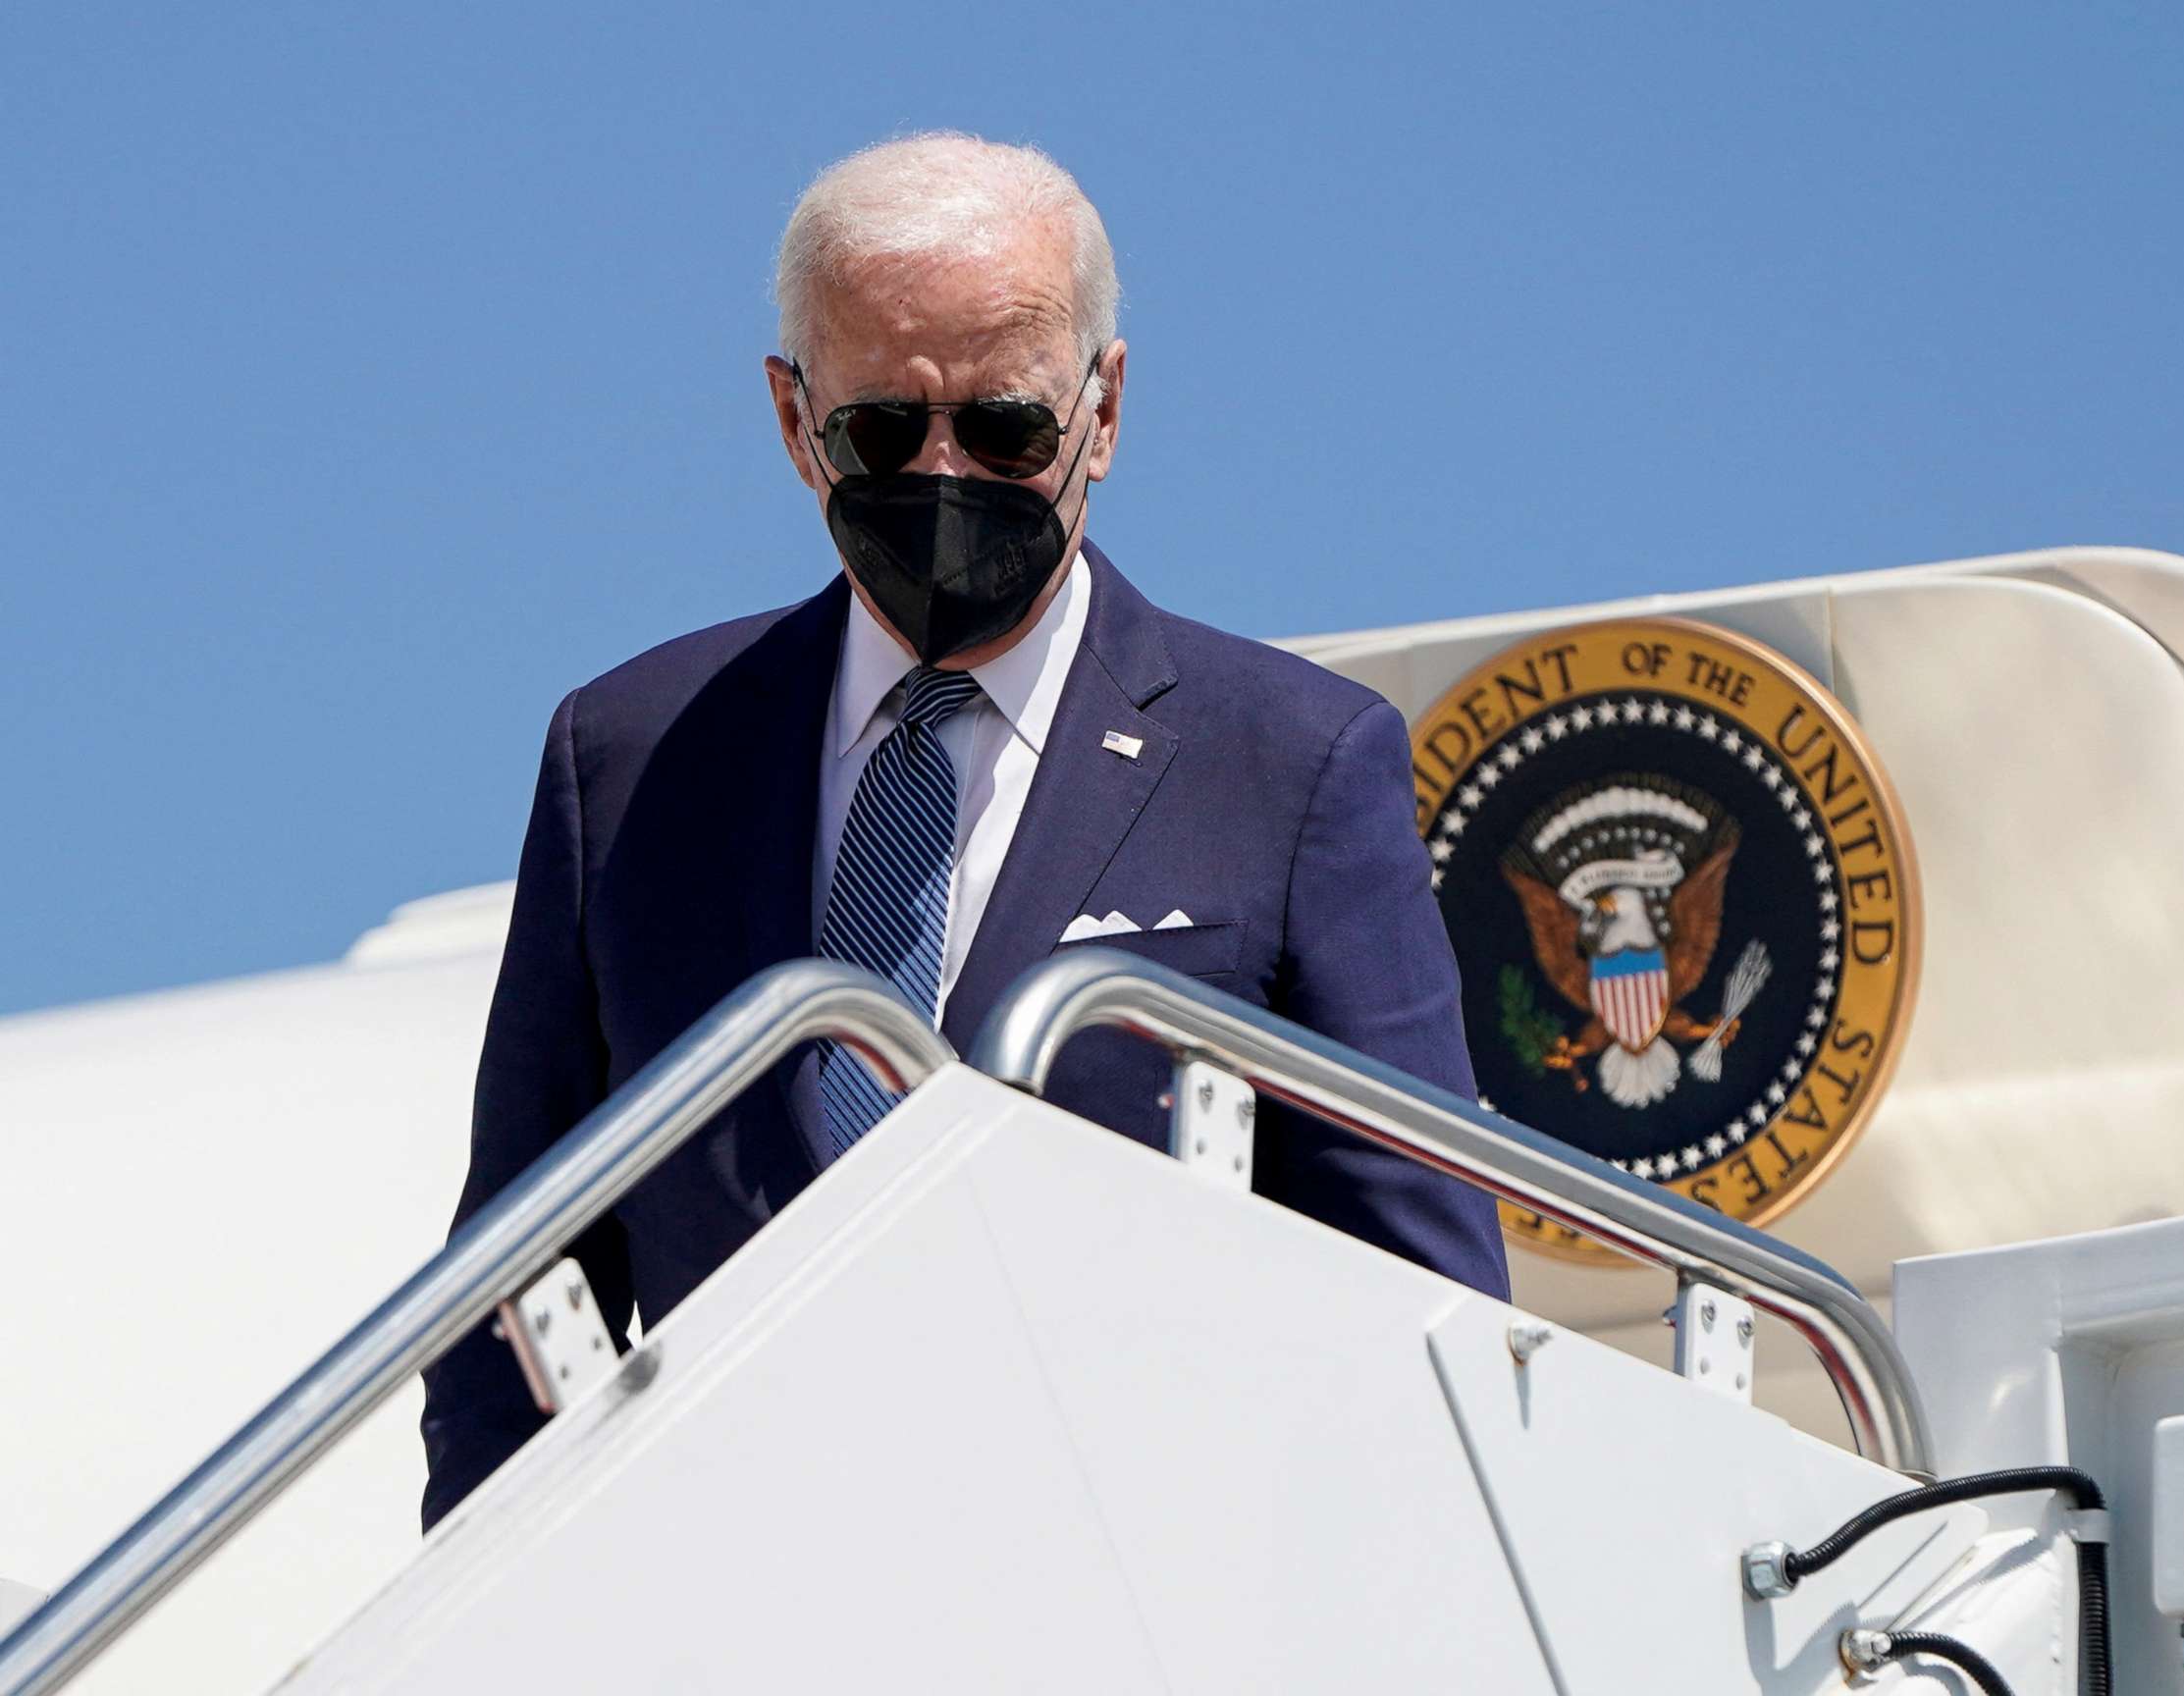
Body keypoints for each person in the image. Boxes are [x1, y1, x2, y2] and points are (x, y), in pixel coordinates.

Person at [419, 133, 1508, 1530]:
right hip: (738, 1592)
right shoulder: (629, 761)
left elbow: (1423, 1294)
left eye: (1003, 427)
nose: (943, 473)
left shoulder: (1292, 767)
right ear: (790, 421)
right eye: (882, 430)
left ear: (1104, 412)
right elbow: (517, 1282)